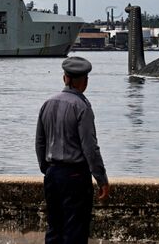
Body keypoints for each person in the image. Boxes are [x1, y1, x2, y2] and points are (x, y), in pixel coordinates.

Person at [36, 56, 110, 244]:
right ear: (84, 82)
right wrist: (101, 179)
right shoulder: (82, 107)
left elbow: (40, 142)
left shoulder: (48, 103)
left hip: (52, 174)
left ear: (65, 78)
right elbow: (90, 147)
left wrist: (47, 169)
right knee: (75, 231)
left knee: (54, 229)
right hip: (75, 176)